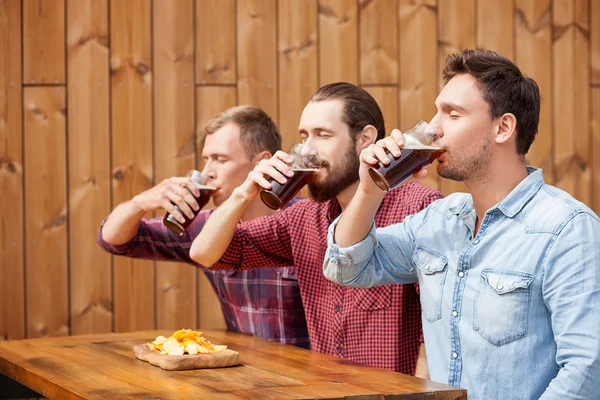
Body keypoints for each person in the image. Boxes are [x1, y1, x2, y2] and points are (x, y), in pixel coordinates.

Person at [323, 49, 600, 399]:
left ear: (503, 128)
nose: (433, 128)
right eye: (437, 111)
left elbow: (587, 371)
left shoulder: (568, 229)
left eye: (452, 114)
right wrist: (370, 187)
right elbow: (346, 267)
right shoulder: (439, 220)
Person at [189, 82, 443, 375]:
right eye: (304, 136)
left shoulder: (419, 205)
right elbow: (206, 254)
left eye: (323, 135)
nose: (308, 150)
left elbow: (435, 326)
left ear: (365, 139)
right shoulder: (302, 217)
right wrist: (243, 193)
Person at [98, 105, 310, 349]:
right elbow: (114, 240)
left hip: (310, 378)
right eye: (206, 159)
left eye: (220, 159)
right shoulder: (206, 227)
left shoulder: (304, 219)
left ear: (261, 162)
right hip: (245, 373)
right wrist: (140, 203)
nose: (207, 172)